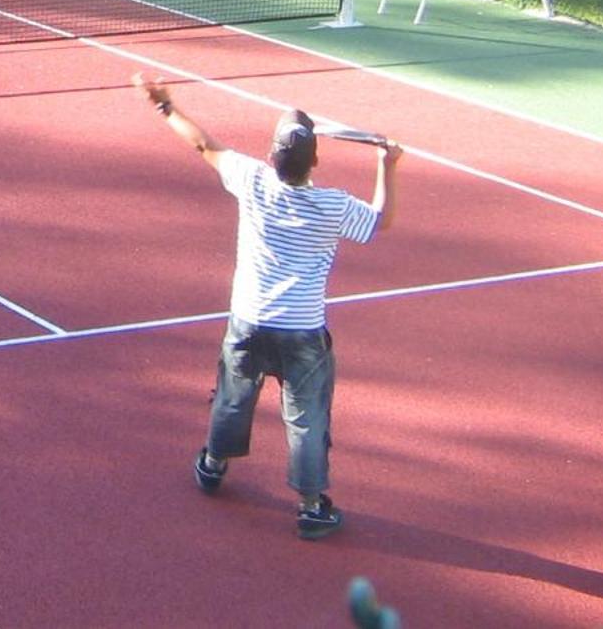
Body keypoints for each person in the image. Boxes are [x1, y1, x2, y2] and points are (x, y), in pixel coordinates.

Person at [134, 72, 402, 540]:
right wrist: (388, 163)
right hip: (302, 332)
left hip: (249, 320)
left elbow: (202, 145)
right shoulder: (333, 206)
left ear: (272, 157)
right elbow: (381, 221)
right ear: (313, 161)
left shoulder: (252, 180)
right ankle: (312, 507)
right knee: (307, 416)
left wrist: (166, 107)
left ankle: (213, 465)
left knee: (234, 397)